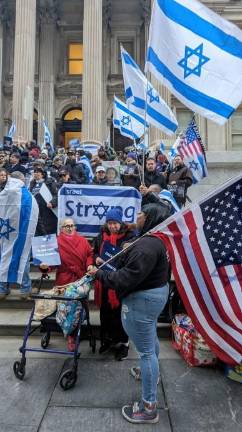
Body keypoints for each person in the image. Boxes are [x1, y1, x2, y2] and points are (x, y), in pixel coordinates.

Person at [88, 204, 170, 424]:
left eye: (142, 214)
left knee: (145, 352)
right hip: (153, 297)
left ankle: (148, 408)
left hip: (142, 300)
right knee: (149, 339)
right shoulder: (151, 240)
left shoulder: (146, 246)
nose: (138, 217)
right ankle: (149, 375)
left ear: (150, 218)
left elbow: (124, 278)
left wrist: (99, 274)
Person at [93, 208, 136, 361]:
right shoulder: (101, 236)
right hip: (105, 281)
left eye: (115, 223)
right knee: (105, 313)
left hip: (120, 283)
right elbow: (95, 252)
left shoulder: (130, 236)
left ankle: (124, 344)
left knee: (120, 315)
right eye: (110, 223)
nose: (112, 226)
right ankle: (108, 340)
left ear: (120, 222)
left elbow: (134, 257)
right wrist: (97, 258)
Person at [55, 218, 94, 350]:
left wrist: (89, 265)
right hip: (64, 279)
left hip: (80, 279)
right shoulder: (56, 242)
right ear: (62, 228)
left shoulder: (82, 240)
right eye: (66, 226)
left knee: (79, 306)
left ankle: (78, 329)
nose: (70, 228)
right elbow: (49, 261)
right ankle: (70, 335)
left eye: (72, 225)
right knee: (67, 308)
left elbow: (90, 254)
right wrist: (44, 266)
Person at [29, 167, 58, 235]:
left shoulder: (50, 182)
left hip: (47, 210)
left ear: (43, 174)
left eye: (38, 172)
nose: (35, 173)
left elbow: (56, 195)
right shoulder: (32, 183)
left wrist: (52, 202)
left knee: (48, 229)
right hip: (36, 210)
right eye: (35, 172)